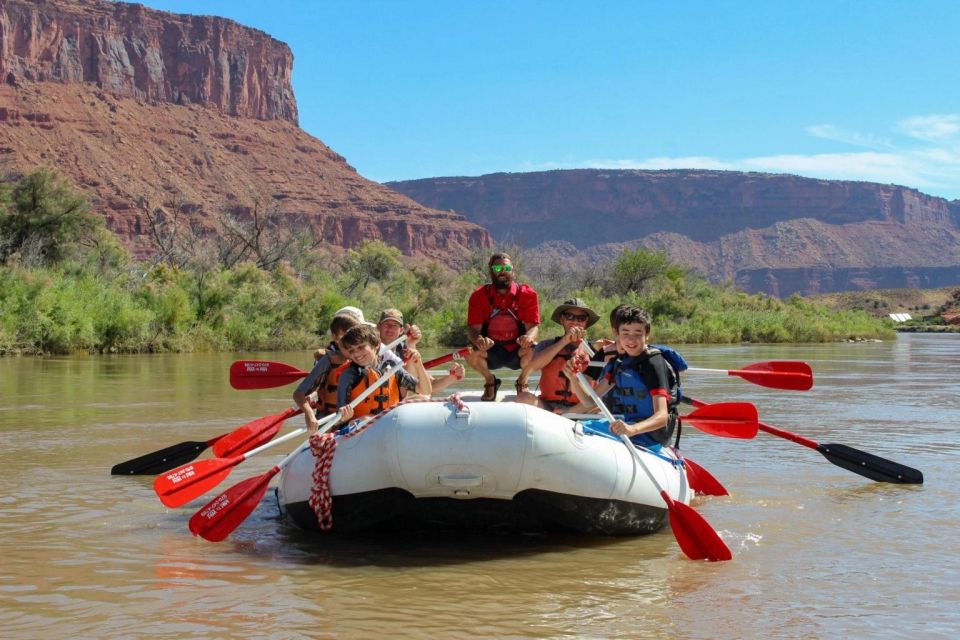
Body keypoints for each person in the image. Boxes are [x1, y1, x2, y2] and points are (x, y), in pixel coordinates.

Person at [567, 305, 677, 451]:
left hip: (649, 435)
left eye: (638, 333)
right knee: (571, 428)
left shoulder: (653, 363)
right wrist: (573, 378)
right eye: (625, 333)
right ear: (616, 334)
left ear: (647, 334)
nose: (631, 339)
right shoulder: (618, 363)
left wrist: (632, 429)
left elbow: (662, 417)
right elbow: (589, 403)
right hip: (627, 427)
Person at [465, 252, 540, 400]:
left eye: (506, 267)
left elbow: (533, 326)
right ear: (491, 270)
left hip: (518, 351)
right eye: (498, 268)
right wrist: (479, 340)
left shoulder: (527, 294)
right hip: (490, 351)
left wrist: (528, 338)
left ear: (513, 270)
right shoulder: (479, 296)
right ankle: (490, 381)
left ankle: (522, 381)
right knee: (469, 353)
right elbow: (473, 329)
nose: (502, 271)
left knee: (536, 351)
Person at [331, 323, 432, 429]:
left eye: (361, 347)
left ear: (376, 345)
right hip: (360, 429)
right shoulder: (349, 375)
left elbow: (425, 390)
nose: (356, 354)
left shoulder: (392, 368)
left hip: (390, 423)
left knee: (423, 397)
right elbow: (341, 416)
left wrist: (418, 363)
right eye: (351, 351)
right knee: (365, 419)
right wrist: (345, 417)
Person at [516, 298, 600, 414]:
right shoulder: (546, 345)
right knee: (522, 397)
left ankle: (567, 413)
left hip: (582, 407)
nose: (575, 321)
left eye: (581, 318)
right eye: (569, 316)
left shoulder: (595, 349)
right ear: (562, 319)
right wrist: (565, 341)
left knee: (601, 404)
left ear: (586, 322)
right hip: (548, 405)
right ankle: (562, 414)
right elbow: (531, 367)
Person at [293, 312, 361, 433]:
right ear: (335, 337)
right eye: (345, 336)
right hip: (329, 420)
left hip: (355, 418)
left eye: (354, 336)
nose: (351, 341)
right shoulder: (328, 360)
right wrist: (309, 414)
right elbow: (298, 394)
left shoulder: (363, 357)